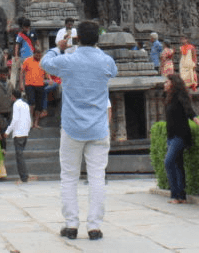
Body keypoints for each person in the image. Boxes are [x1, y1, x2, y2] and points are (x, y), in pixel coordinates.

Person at [41, 20, 118, 242]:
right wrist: (95, 48)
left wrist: (59, 48)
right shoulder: (106, 61)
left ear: (78, 38)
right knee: (97, 177)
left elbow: (45, 63)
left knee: (69, 176)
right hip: (98, 127)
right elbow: (112, 71)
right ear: (97, 39)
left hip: (72, 126)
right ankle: (94, 227)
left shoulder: (68, 60)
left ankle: (71, 224)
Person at [163, 73, 199, 204]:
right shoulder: (169, 98)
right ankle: (181, 196)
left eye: (167, 82)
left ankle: (175, 195)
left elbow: (189, 111)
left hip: (180, 135)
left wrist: (198, 123)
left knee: (168, 162)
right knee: (177, 164)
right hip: (171, 135)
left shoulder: (180, 96)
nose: (165, 84)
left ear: (173, 83)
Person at [7, 88, 31, 184]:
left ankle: (24, 176)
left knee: (19, 156)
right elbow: (29, 119)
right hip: (25, 132)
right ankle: (24, 175)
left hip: (18, 133)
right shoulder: (26, 104)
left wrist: (8, 131)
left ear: (13, 96)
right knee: (20, 154)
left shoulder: (16, 105)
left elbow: (15, 119)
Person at [20, 46, 46, 129]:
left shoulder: (43, 62)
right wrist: (21, 84)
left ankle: (36, 123)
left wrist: (49, 79)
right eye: (37, 55)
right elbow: (22, 72)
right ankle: (30, 121)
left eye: (40, 55)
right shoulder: (27, 60)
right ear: (34, 54)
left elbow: (46, 72)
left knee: (39, 105)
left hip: (40, 84)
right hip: (29, 85)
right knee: (31, 103)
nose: (38, 56)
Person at [12, 17, 34, 89]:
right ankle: (22, 86)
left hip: (32, 55)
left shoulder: (32, 33)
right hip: (23, 56)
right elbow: (17, 45)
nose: (26, 29)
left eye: (27, 27)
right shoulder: (20, 35)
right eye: (25, 27)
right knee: (22, 71)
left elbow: (36, 42)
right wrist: (16, 55)